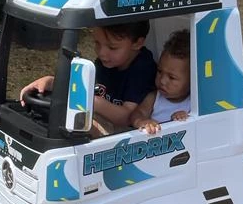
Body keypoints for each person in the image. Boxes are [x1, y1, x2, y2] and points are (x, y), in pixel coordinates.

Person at [20, 20, 156, 134]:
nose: (102, 53)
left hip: (126, 134)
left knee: (68, 128)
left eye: (112, 47)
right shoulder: (108, 62)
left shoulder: (143, 68)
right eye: (97, 43)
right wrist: (52, 82)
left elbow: (126, 117)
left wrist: (89, 100)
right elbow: (85, 86)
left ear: (137, 43)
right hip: (99, 119)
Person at [130, 29, 190, 134]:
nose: (162, 80)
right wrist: (142, 122)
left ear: (192, 79)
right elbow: (137, 113)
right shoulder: (155, 97)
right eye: (159, 71)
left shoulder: (195, 102)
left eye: (172, 77)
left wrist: (186, 118)